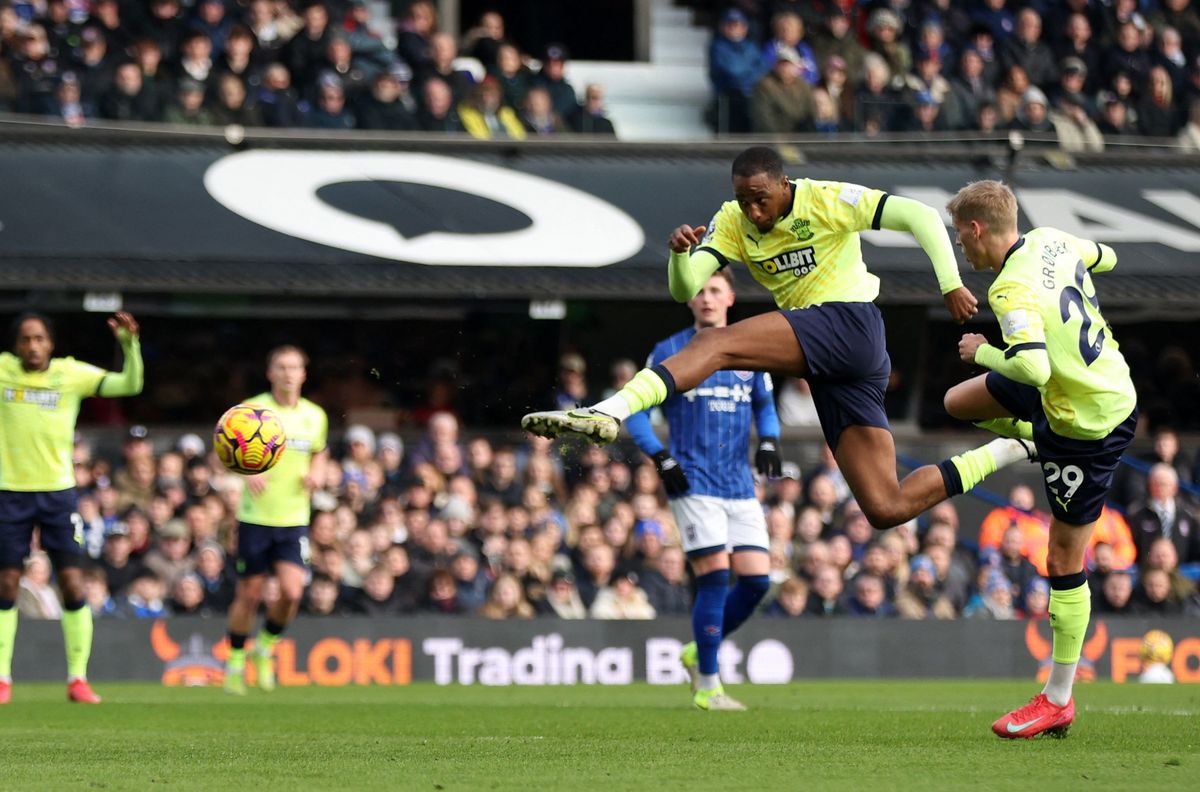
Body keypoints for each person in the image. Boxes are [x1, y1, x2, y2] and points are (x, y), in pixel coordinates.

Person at [523, 146, 1032, 534]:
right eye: (744, 200)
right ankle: (1012, 447)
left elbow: (919, 215)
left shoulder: (826, 199)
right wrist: (680, 255)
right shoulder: (731, 221)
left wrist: (950, 283)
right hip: (833, 361)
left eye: (761, 199)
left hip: (849, 323)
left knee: (713, 344)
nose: (754, 212)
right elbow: (684, 289)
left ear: (784, 185)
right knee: (885, 506)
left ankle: (609, 411)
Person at [942, 179, 1138, 739]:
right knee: (958, 402)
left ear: (977, 229)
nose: (960, 246)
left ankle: (1058, 699)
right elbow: (1107, 255)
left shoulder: (1008, 289)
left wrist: (981, 349)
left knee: (1062, 558)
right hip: (1078, 389)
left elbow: (1032, 367)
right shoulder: (1051, 239)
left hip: (1087, 423)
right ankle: (1032, 440)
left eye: (960, 236)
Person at [624, 268, 780, 711]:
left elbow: (765, 405)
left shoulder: (750, 348)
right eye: (700, 291)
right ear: (689, 300)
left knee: (757, 581)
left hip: (739, 483)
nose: (707, 298)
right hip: (692, 480)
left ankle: (698, 652)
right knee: (713, 578)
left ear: (730, 297)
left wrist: (769, 441)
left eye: (715, 290)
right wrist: (660, 455)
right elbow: (635, 409)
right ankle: (709, 686)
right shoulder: (669, 350)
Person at [0, 311, 142, 703]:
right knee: (6, 583)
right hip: (10, 493)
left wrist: (129, 345)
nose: (33, 346)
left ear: (51, 343)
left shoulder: (71, 374)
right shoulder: (3, 371)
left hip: (58, 495)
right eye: (26, 339)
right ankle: (2, 679)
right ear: (15, 345)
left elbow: (130, 384)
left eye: (40, 338)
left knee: (72, 582)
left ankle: (78, 679)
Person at [224, 345, 328, 695]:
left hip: (294, 518)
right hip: (255, 517)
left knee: (292, 592)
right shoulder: (251, 410)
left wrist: (317, 472)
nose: (288, 373)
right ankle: (235, 662)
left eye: (294, 367)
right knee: (250, 594)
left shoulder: (315, 416)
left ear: (303, 374)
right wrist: (245, 471)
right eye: (281, 367)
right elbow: (224, 449)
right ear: (270, 373)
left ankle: (265, 647)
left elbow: (320, 452)